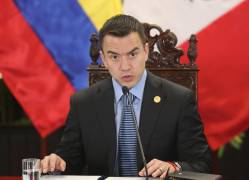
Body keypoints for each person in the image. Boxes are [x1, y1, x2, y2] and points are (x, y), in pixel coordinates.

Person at [40, 14, 211, 179]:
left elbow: (200, 164)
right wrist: (57, 161)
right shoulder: (83, 102)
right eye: (114, 57)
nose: (125, 66)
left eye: (132, 54)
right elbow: (69, 159)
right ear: (104, 59)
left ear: (145, 51)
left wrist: (173, 167)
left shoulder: (178, 100)